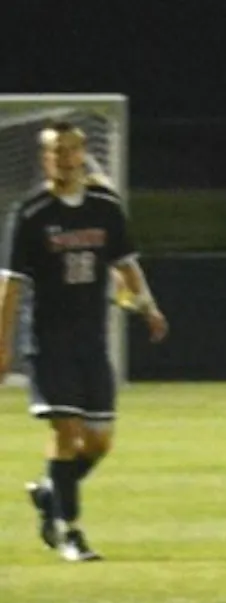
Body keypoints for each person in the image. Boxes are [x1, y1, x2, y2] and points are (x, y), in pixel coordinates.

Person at [0, 121, 169, 562]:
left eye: (71, 149)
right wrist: (1, 345)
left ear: (82, 153)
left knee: (99, 442)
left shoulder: (105, 208)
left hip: (92, 340)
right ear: (45, 159)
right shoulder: (31, 213)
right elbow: (11, 285)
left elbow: (126, 264)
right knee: (67, 431)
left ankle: (50, 493)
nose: (64, 158)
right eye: (55, 151)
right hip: (48, 340)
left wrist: (148, 307)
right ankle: (69, 531)